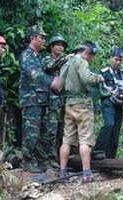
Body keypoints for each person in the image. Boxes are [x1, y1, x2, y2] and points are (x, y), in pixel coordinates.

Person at [19, 25, 64, 173]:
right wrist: (51, 80)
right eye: (41, 37)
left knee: (44, 133)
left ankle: (43, 161)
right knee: (31, 132)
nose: (44, 40)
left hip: (41, 101)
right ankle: (27, 161)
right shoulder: (27, 55)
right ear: (32, 39)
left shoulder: (36, 57)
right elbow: (33, 74)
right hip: (31, 100)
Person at [59, 41, 105, 182]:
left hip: (69, 104)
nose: (93, 59)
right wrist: (98, 78)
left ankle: (62, 172)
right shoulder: (82, 62)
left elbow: (60, 84)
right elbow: (86, 78)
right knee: (85, 139)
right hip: (82, 105)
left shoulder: (66, 64)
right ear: (87, 52)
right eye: (93, 55)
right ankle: (87, 173)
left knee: (67, 139)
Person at [92, 47, 123, 160]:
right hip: (108, 102)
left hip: (119, 104)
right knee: (109, 125)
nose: (118, 62)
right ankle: (98, 151)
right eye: (116, 59)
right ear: (111, 58)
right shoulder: (104, 72)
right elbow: (98, 87)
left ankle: (110, 155)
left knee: (116, 129)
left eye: (120, 60)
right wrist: (109, 91)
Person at [41, 35, 73, 168]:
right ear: (51, 47)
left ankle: (62, 159)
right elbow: (49, 68)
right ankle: (50, 158)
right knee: (51, 131)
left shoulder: (64, 62)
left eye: (62, 45)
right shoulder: (47, 60)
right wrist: (64, 60)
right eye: (57, 44)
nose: (60, 47)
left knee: (63, 131)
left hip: (63, 102)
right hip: (50, 101)